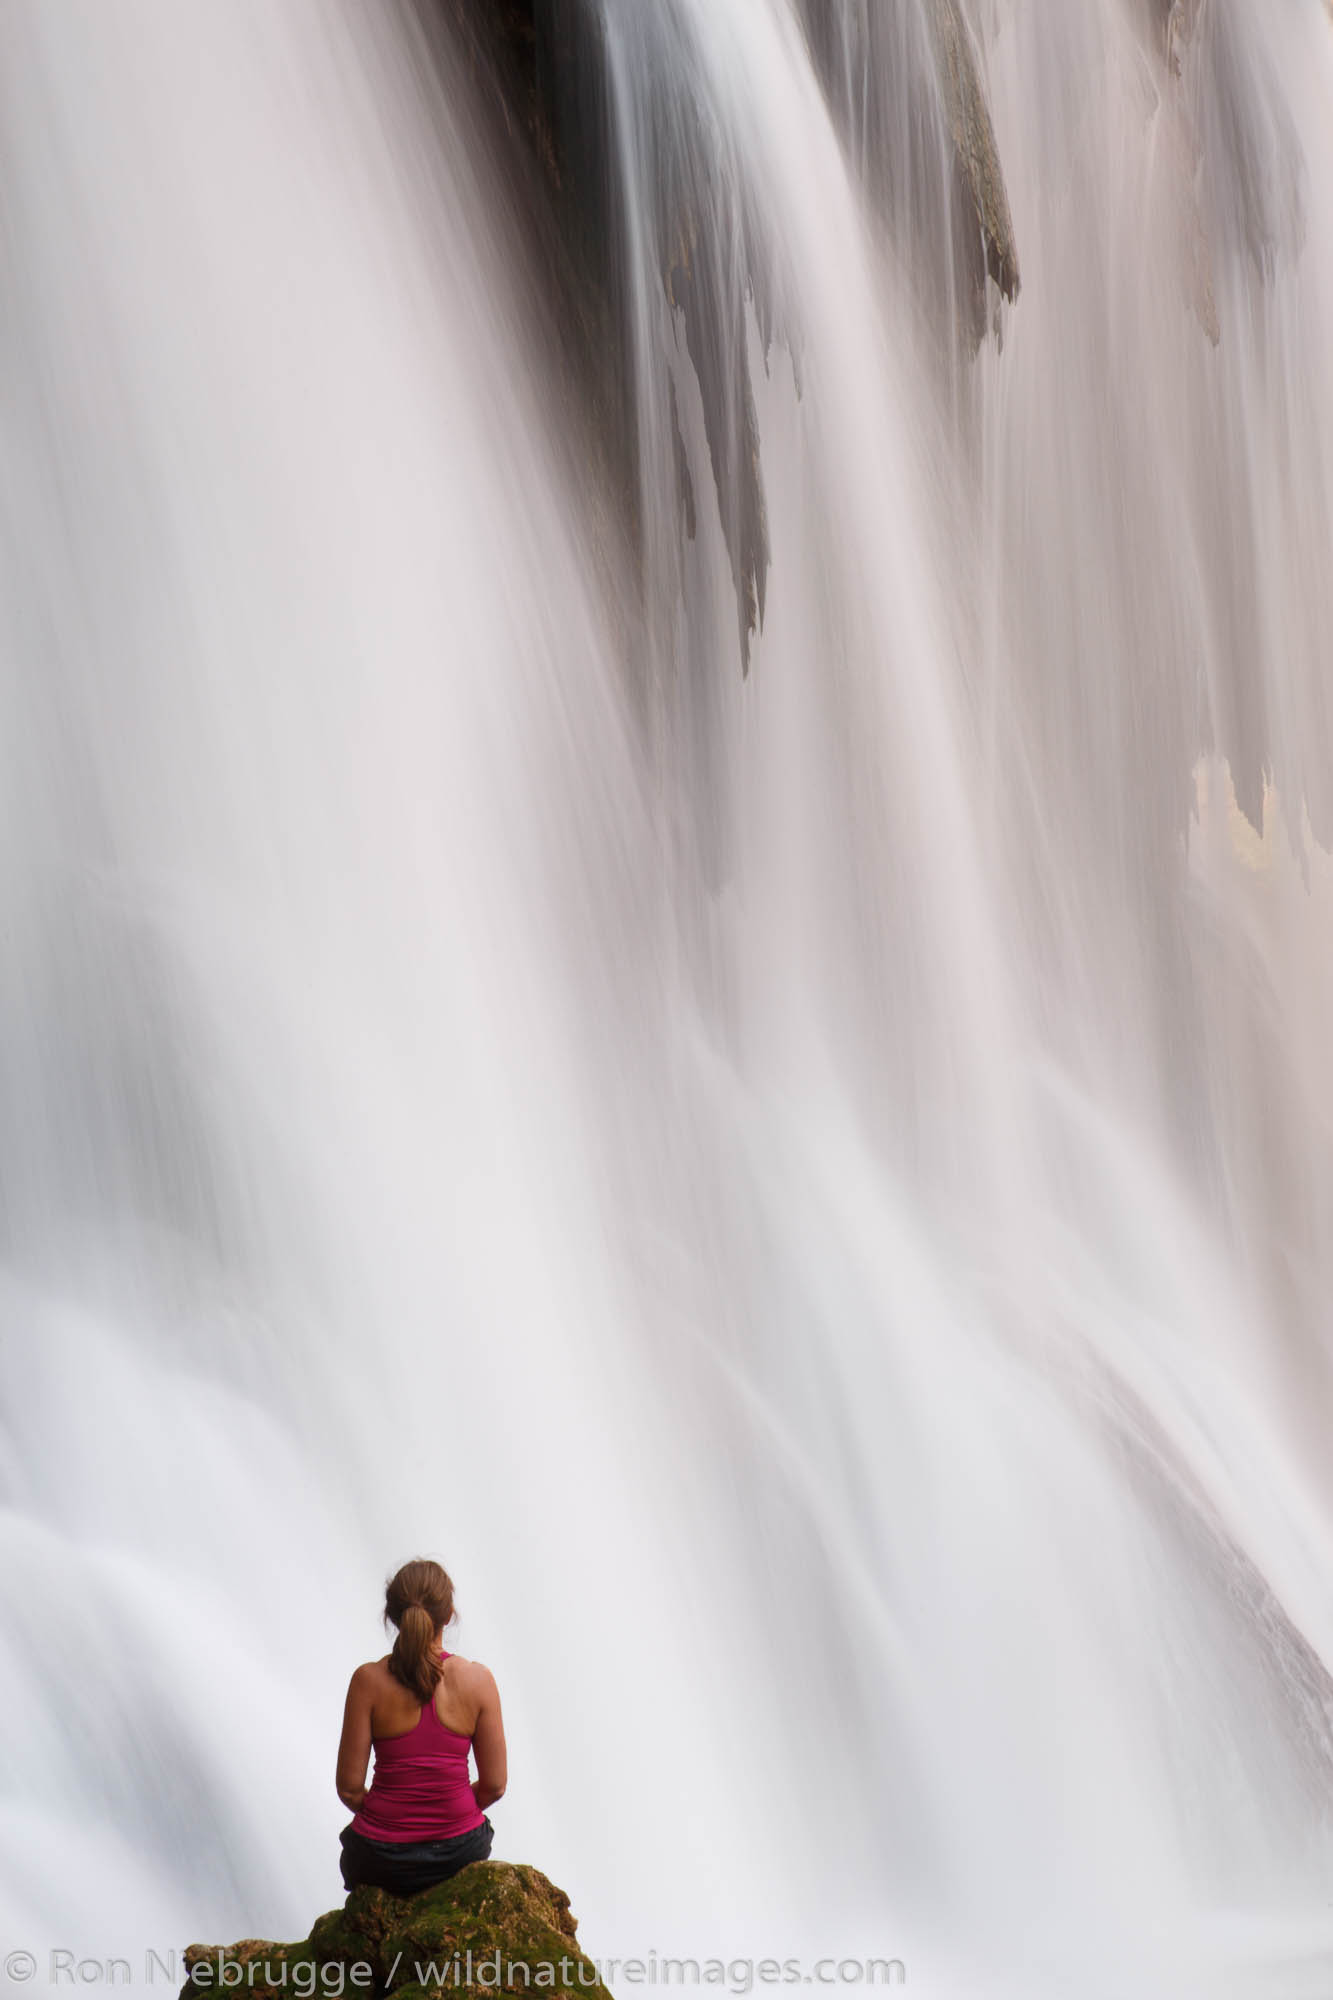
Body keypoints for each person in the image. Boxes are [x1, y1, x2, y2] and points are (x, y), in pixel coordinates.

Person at [336, 1558, 507, 1894]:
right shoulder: (478, 1681)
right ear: (449, 1615)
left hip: (380, 1858)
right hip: (459, 1852)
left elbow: (350, 1790)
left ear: (392, 1616)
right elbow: (495, 1786)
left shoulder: (366, 1682)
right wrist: (448, 1812)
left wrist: (393, 1821)